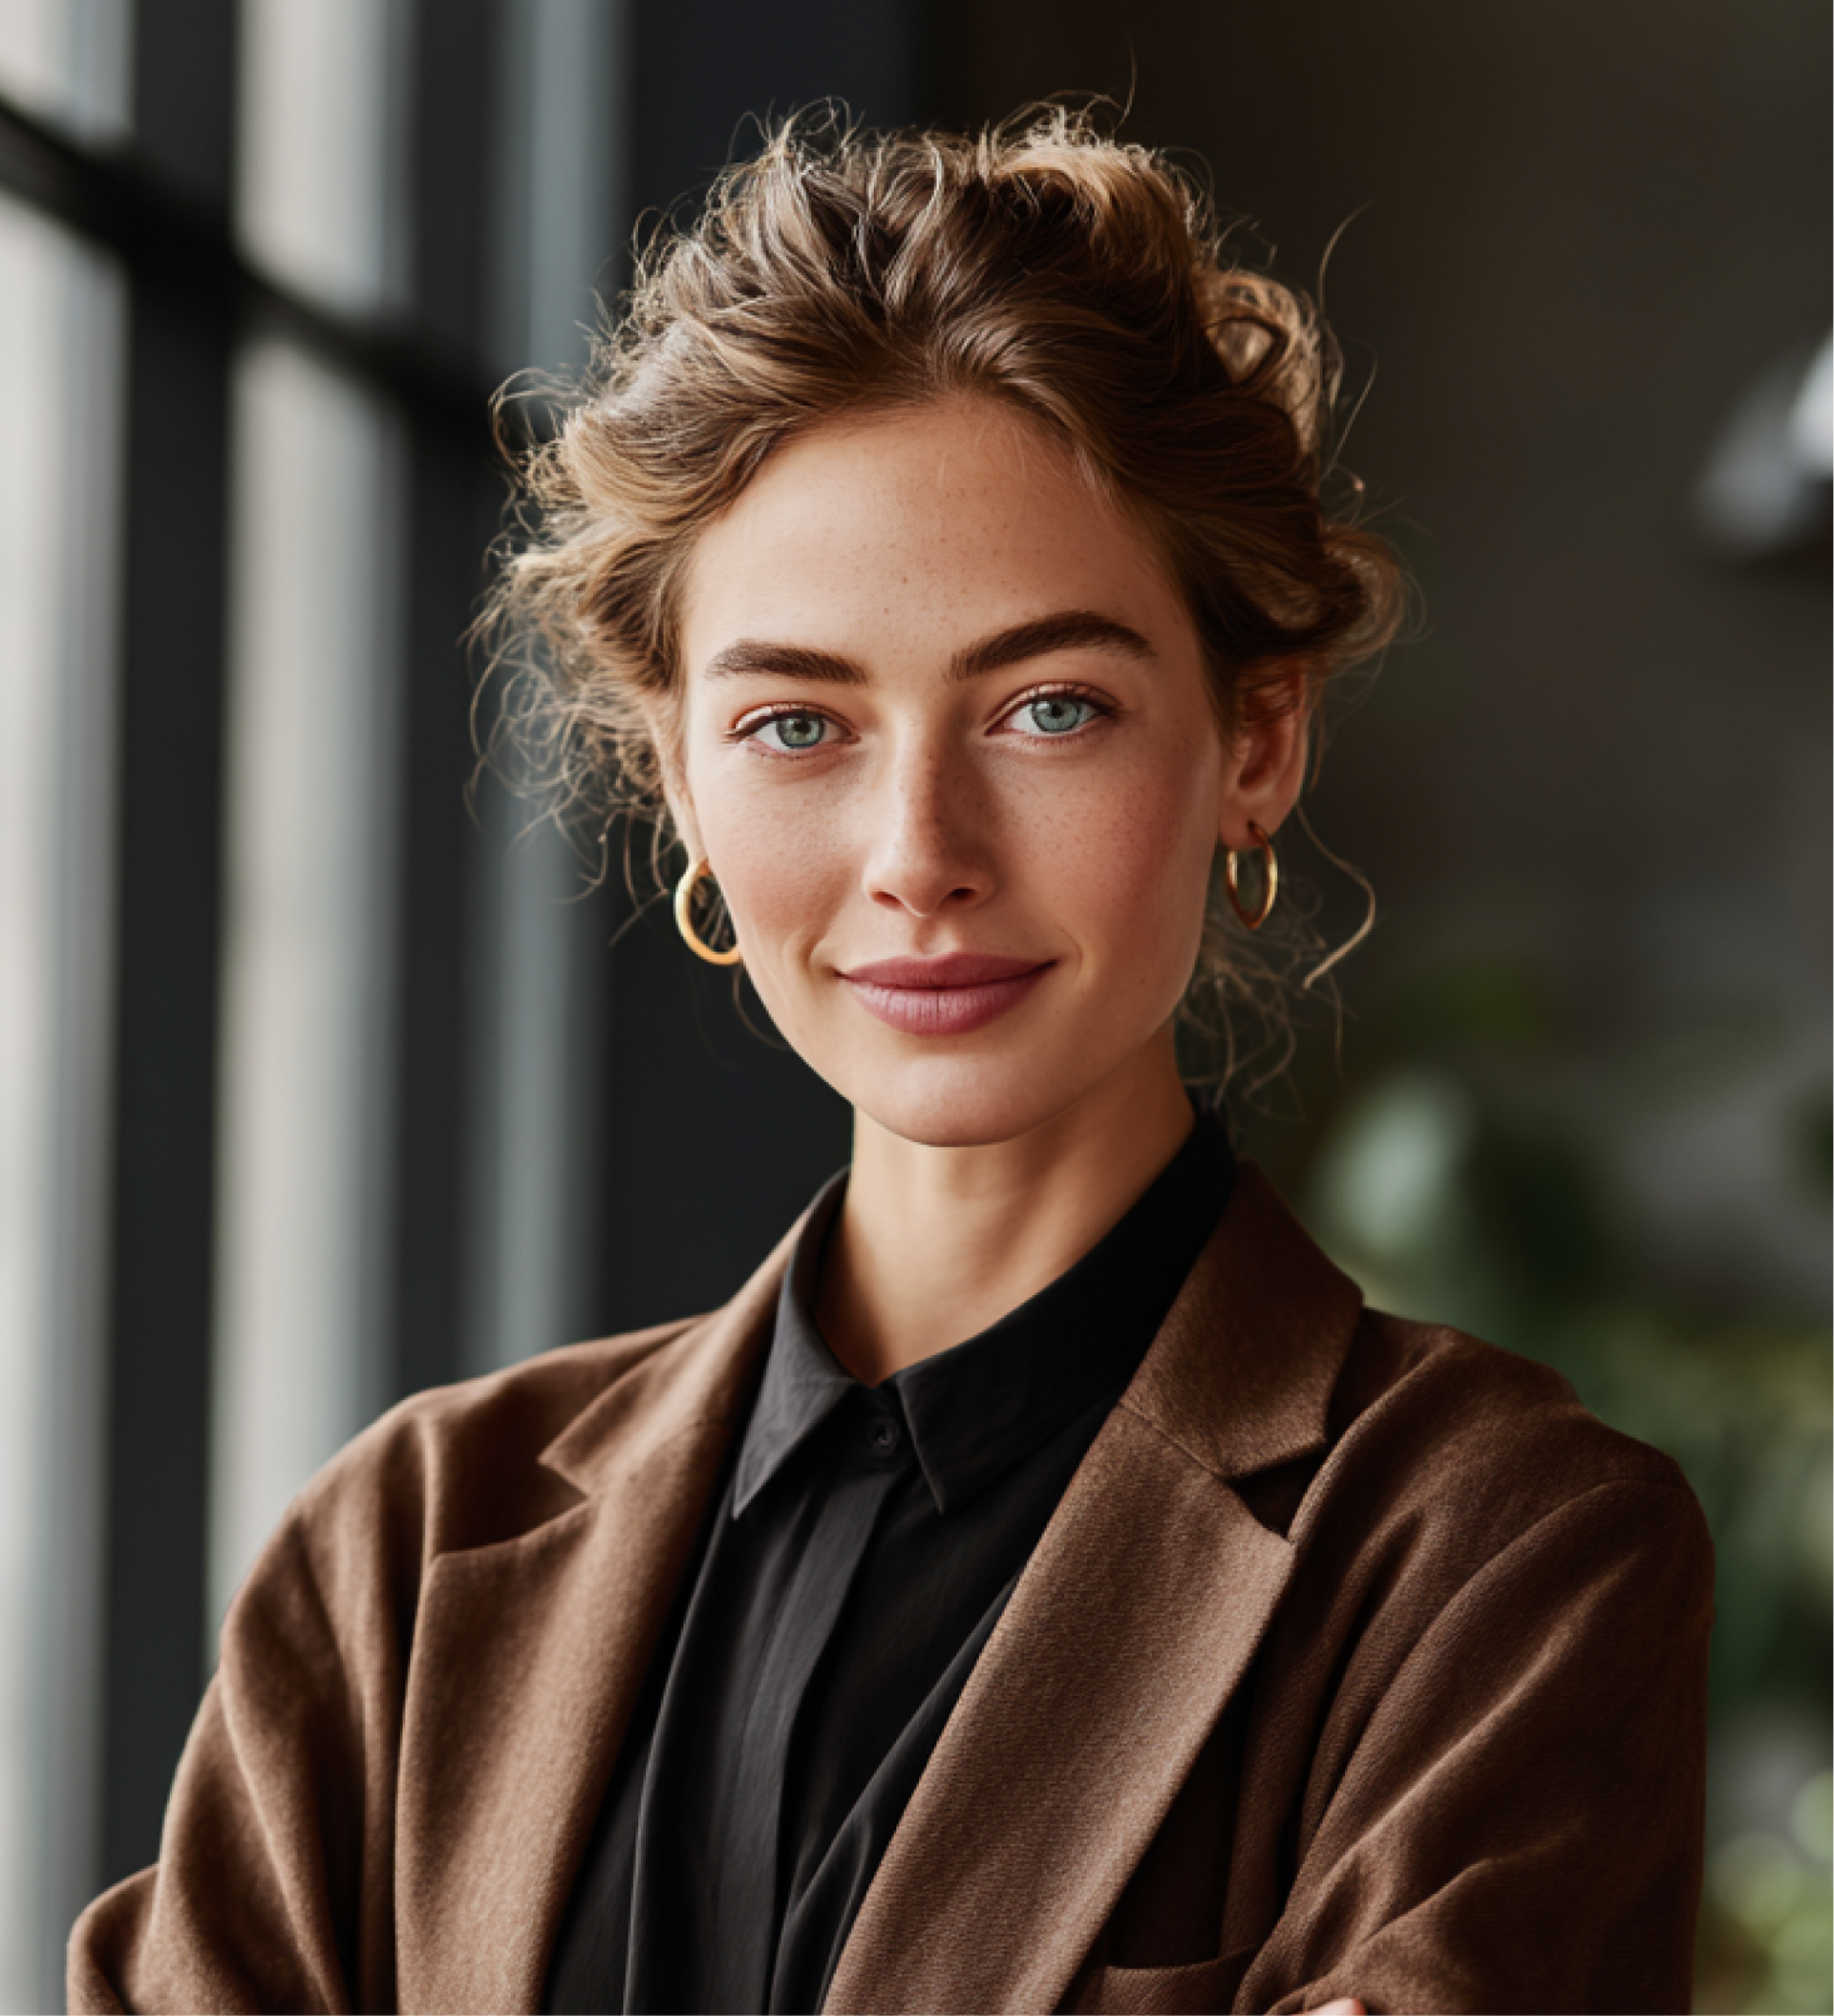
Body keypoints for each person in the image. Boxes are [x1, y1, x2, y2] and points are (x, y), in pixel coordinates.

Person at [69, 108, 1713, 2016]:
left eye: (1047, 705)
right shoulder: (404, 1559)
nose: (920, 848)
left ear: (1257, 738)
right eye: (795, 724)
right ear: (673, 772)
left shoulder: (1495, 1557)